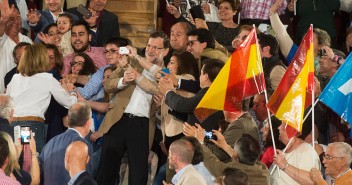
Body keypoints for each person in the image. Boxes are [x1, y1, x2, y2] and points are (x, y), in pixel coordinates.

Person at [96, 31, 170, 185]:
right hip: (118, 120)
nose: (150, 50)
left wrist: (135, 74)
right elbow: (109, 85)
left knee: (138, 176)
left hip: (142, 126)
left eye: (156, 48)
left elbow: (157, 90)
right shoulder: (131, 63)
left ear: (165, 51)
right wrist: (123, 80)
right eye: (149, 45)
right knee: (105, 172)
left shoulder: (166, 74)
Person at [6, 43, 77, 153]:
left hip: (13, 126)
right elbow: (70, 103)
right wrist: (73, 92)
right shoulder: (47, 79)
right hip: (29, 127)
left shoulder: (15, 78)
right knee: (31, 162)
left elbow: (7, 102)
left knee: (17, 163)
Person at [40, 102, 94, 185]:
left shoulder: (49, 143)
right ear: (88, 123)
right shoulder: (84, 146)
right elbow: (86, 181)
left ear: (68, 119)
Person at [196, 133, 270, 185]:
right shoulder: (264, 170)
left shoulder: (233, 173)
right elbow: (243, 157)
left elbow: (211, 162)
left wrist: (200, 142)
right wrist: (225, 146)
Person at [169, 0, 241, 52]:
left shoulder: (241, 30)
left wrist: (206, 31)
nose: (222, 10)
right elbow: (189, 27)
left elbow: (236, 49)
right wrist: (176, 13)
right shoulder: (213, 25)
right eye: (220, 8)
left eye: (226, 8)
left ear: (234, 12)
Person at [0, 0, 32, 93]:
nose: (16, 22)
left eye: (18, 18)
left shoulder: (27, 40)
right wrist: (2, 23)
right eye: (11, 18)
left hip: (25, 92)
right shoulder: (2, 39)